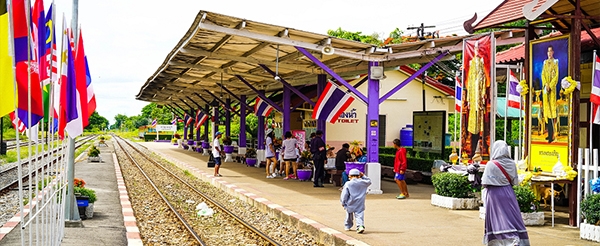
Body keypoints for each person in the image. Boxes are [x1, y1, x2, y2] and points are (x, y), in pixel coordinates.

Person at [482, 140, 530, 246]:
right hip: (508, 193)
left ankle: (501, 242)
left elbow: (484, 182)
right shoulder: (512, 163)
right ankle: (515, 239)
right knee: (511, 217)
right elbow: (515, 181)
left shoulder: (491, 164)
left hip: (493, 194)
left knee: (496, 218)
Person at [466, 40, 487, 157]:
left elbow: (483, 79)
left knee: (480, 122)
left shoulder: (481, 62)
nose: (477, 50)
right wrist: (469, 99)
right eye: (475, 48)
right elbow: (469, 81)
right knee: (472, 123)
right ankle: (472, 150)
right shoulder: (471, 63)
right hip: (473, 97)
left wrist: (483, 93)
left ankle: (479, 149)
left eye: (479, 48)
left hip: (479, 97)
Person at [340, 169, 371, 234]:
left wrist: (343, 202)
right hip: (360, 202)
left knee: (349, 214)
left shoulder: (348, 183)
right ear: (359, 176)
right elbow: (369, 181)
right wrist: (363, 176)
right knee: (359, 214)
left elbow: (344, 194)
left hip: (350, 202)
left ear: (349, 176)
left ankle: (347, 226)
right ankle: (360, 226)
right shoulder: (362, 182)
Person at [542, 45, 559, 143]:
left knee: (552, 112)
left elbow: (556, 75)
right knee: (547, 111)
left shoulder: (556, 62)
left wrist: (551, 85)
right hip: (546, 89)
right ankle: (549, 135)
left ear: (553, 52)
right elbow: (543, 74)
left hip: (552, 90)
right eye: (548, 51)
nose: (549, 53)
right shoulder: (545, 63)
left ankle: (552, 135)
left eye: (551, 51)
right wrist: (545, 84)